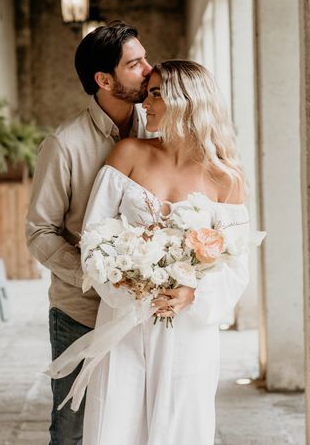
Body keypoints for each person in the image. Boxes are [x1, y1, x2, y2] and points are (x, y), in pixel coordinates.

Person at [48, 60, 251, 445]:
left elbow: (236, 264)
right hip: (126, 318)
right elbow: (94, 238)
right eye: (147, 93)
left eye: (156, 93)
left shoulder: (225, 176)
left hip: (190, 329)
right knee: (116, 421)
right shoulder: (128, 154)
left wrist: (193, 294)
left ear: (187, 100)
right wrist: (132, 287)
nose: (146, 104)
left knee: (181, 424)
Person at [26, 21, 155, 444]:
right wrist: (94, 274)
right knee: (72, 430)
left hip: (143, 313)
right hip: (80, 312)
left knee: (133, 423)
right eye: (135, 64)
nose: (149, 70)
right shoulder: (64, 145)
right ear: (104, 79)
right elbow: (40, 231)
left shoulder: (159, 130)